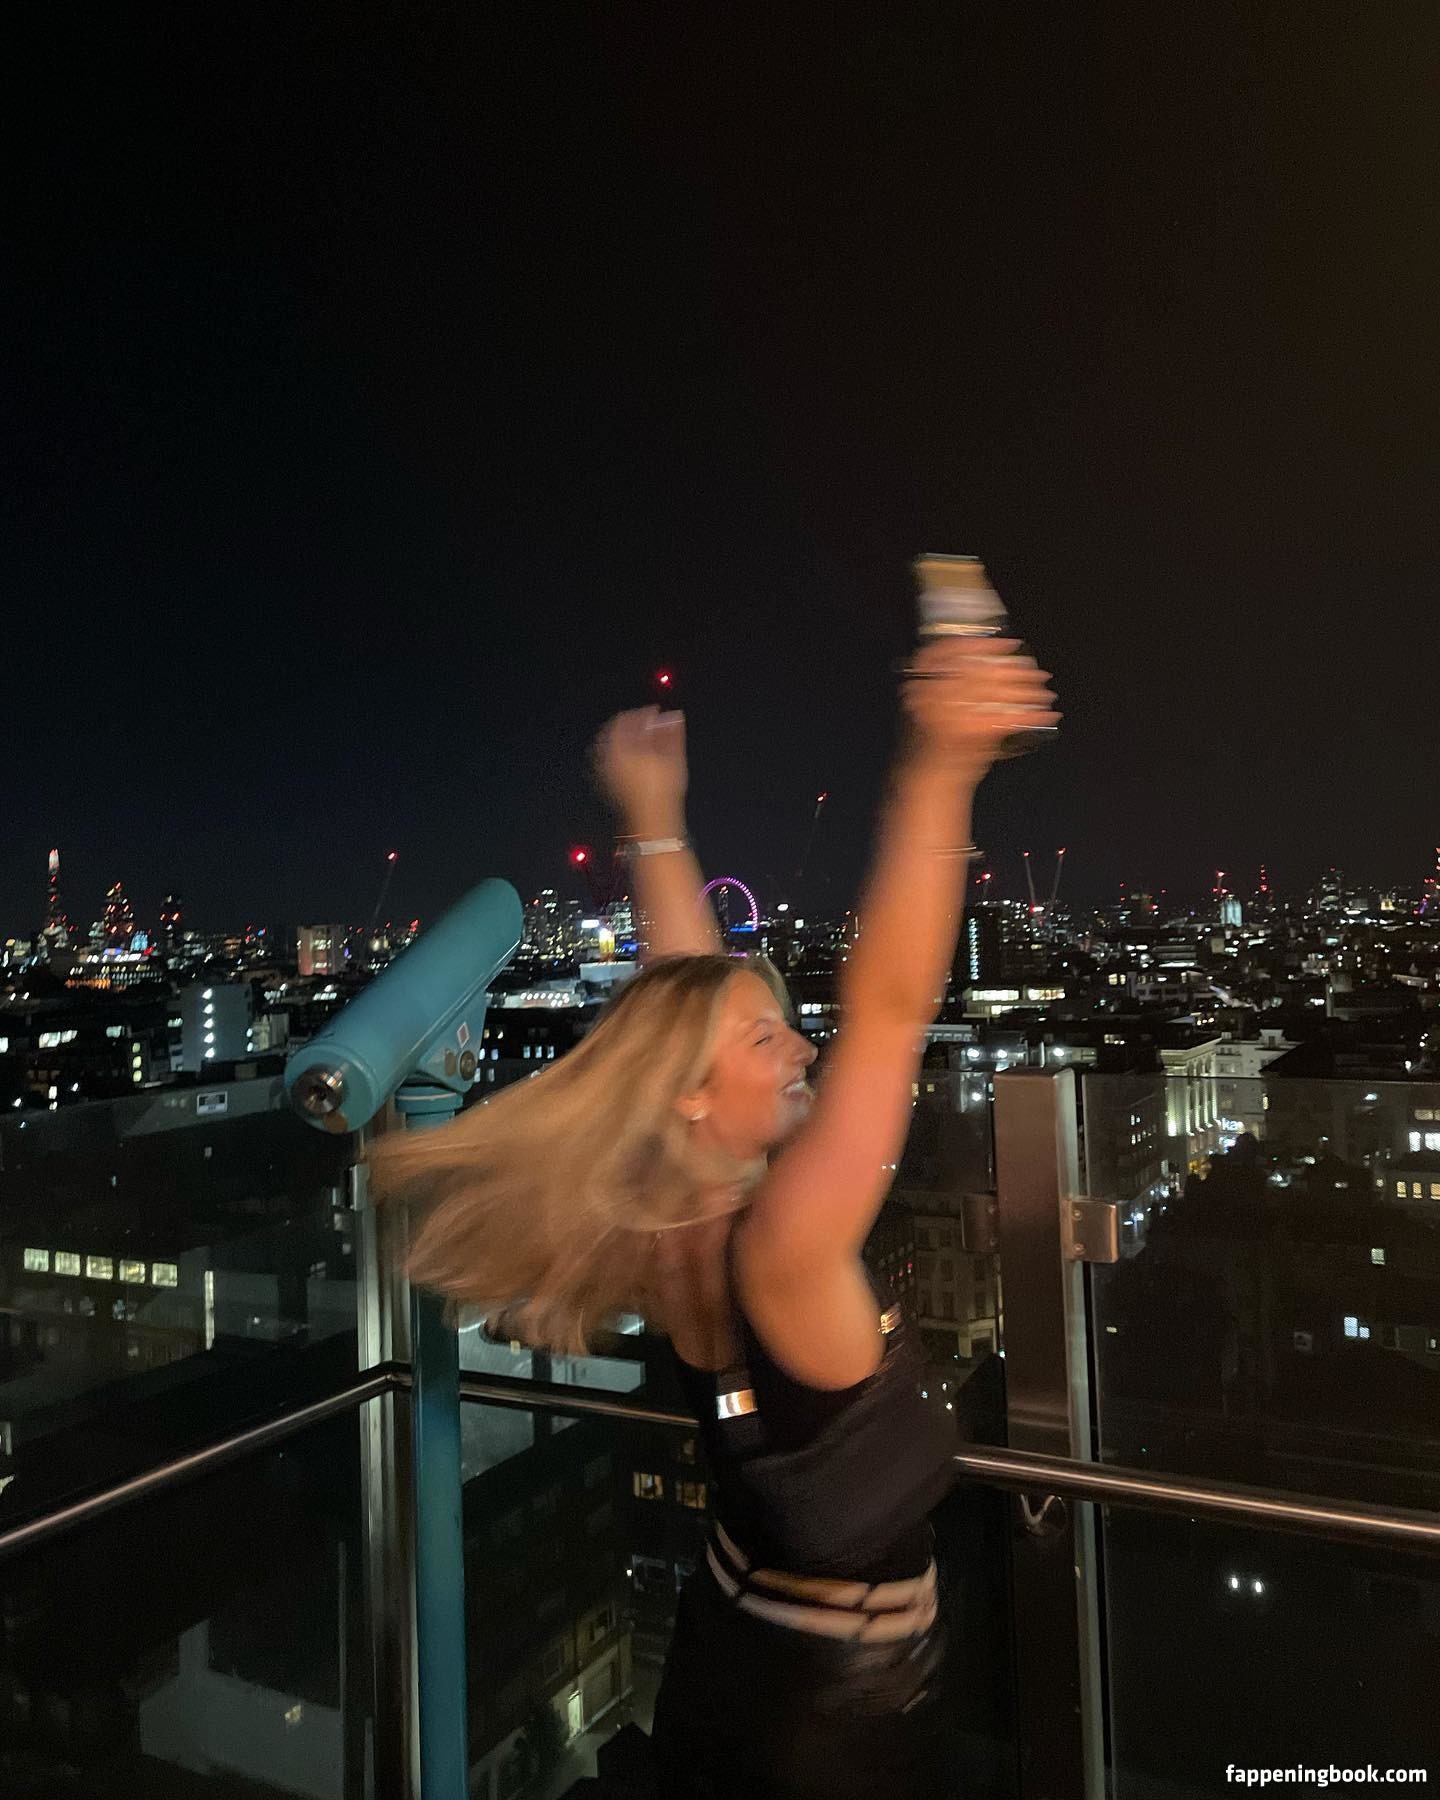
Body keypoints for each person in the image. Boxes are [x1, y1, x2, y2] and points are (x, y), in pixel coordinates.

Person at [371, 635, 1058, 1798]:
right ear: (697, 1094)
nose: (801, 1049)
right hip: (826, 1723)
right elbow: (892, 1009)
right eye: (769, 1038)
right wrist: (942, 766)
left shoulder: (674, 1220)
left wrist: (653, 818)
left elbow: (690, 1006)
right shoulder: (782, 1246)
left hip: (733, 1653)